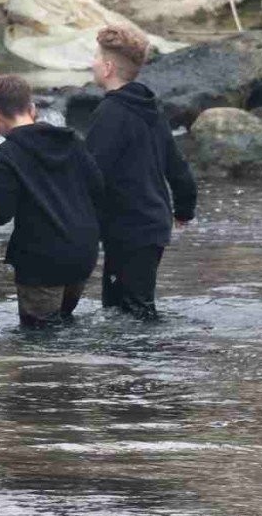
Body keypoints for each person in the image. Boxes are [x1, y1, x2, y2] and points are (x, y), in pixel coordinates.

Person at [82, 25, 198, 321]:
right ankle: (132, 365)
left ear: (108, 68)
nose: (92, 62)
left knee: (130, 313)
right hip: (153, 222)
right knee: (127, 308)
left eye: (96, 57)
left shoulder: (109, 114)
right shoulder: (151, 109)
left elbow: (92, 173)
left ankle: (143, 363)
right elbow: (177, 166)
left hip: (129, 226)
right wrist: (184, 209)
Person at [0, 73, 103, 329]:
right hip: (82, 251)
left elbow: (2, 212)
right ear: (32, 108)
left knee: (39, 339)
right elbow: (98, 187)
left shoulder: (4, 156)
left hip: (41, 260)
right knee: (65, 326)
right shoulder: (72, 141)